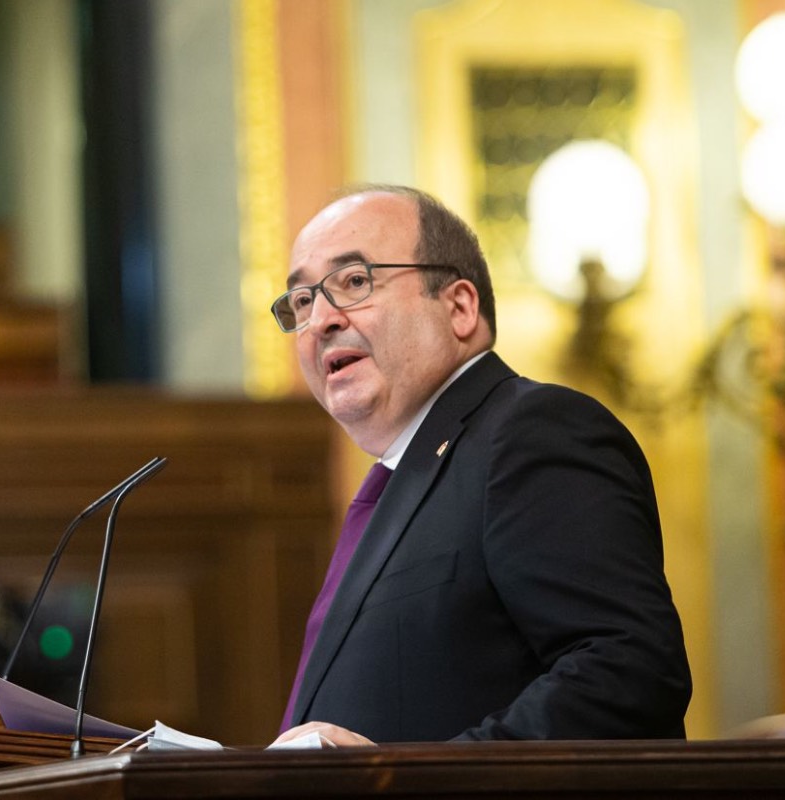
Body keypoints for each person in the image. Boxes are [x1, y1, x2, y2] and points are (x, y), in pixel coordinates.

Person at [270, 185, 692, 746]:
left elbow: (628, 671)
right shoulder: (406, 479)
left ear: (460, 307)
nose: (321, 319)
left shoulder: (532, 433)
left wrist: (408, 783)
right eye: (301, 300)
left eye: (354, 282)